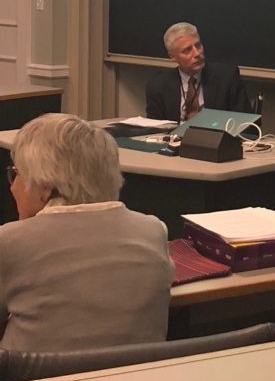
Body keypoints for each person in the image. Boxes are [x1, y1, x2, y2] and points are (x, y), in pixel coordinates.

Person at [0, 113, 174, 351]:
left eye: (16, 173)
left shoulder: (8, 242)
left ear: (44, 187)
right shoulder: (153, 231)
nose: (12, 186)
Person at [145, 21, 252, 122]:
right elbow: (154, 130)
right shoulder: (158, 85)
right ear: (173, 56)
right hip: (173, 139)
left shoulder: (227, 77)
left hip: (213, 139)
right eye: (187, 50)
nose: (197, 53)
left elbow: (245, 123)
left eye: (198, 45)